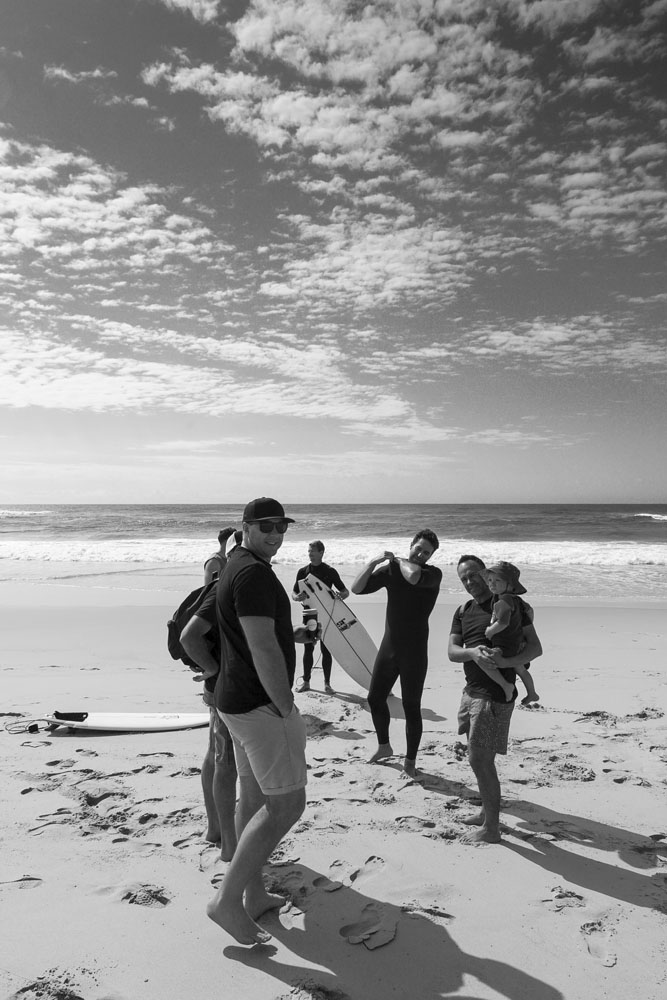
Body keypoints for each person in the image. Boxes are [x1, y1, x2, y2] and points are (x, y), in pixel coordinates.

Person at [206, 497, 316, 945]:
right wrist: (284, 704)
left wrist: (292, 635)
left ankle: (252, 895)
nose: (275, 534)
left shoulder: (236, 565)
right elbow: (261, 646)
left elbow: (254, 632)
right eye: (265, 526)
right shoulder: (253, 573)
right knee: (287, 805)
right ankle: (226, 901)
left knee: (252, 798)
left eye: (281, 526)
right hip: (259, 706)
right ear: (246, 526)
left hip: (234, 701)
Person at [448, 555, 543, 844]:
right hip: (471, 691)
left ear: (487, 574)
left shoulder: (509, 605)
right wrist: (472, 653)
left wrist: (505, 663)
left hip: (495, 696)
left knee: (481, 760)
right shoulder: (463, 610)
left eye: (474, 574)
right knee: (476, 759)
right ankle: (486, 815)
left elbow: (535, 649)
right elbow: (452, 652)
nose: (469, 581)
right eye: (463, 578)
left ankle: (491, 829)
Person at [350, 530, 442, 779]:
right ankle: (384, 746)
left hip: (415, 652)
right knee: (374, 698)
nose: (420, 554)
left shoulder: (432, 575)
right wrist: (373, 562)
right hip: (389, 647)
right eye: (418, 548)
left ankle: (410, 761)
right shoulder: (391, 571)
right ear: (411, 544)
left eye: (426, 552)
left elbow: (412, 577)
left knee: (411, 707)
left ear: (431, 556)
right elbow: (356, 588)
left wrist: (400, 559)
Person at [180, 589, 238, 862]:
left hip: (218, 685)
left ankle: (215, 829)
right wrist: (212, 667)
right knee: (225, 761)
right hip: (224, 686)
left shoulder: (219, 575)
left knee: (216, 754)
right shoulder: (226, 579)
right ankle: (227, 841)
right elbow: (189, 636)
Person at [292, 540, 349, 694]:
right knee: (308, 648)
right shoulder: (302, 572)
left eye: (313, 551)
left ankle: (327, 684)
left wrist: (340, 596)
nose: (310, 553)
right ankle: (306, 682)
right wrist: (297, 597)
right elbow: (294, 593)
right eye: (309, 551)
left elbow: (345, 591)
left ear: (321, 552)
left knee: (326, 650)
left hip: (326, 615)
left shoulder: (330, 571)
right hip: (309, 615)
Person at [484, 560, 539, 705]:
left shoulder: (505, 600)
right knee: (521, 670)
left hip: (506, 644)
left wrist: (490, 631)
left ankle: (506, 686)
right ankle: (532, 693)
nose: (492, 584)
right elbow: (529, 613)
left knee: (486, 659)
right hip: (516, 642)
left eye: (497, 580)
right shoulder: (516, 600)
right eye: (490, 580)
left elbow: (503, 622)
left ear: (510, 584)